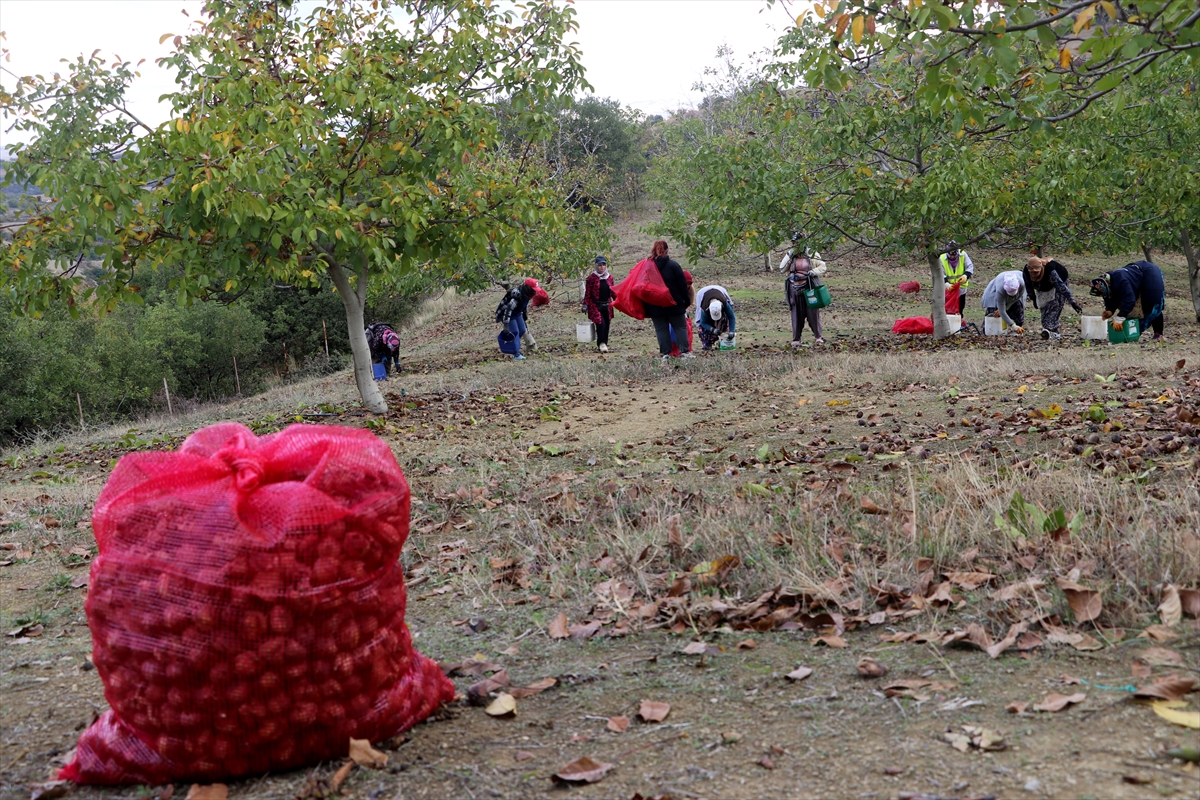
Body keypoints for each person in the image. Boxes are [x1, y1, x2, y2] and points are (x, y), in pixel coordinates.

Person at [642, 241, 694, 361]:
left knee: (661, 329)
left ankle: (666, 354)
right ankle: (685, 353)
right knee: (680, 327)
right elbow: (682, 286)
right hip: (674, 304)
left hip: (655, 305)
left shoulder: (647, 268)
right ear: (666, 251)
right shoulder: (674, 266)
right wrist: (685, 302)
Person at [1090, 260, 1166, 341]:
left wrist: (1120, 318)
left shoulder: (1121, 280)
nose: (1102, 295)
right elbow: (1110, 296)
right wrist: (1110, 310)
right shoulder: (1107, 283)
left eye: (1101, 293)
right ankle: (1131, 334)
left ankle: (1158, 334)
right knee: (1133, 312)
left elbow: (1129, 299)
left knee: (1152, 304)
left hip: (1150, 272)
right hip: (1138, 275)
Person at [1023, 256, 1083, 340]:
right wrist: (1033, 298)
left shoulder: (1050, 271)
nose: (1034, 274)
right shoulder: (1025, 271)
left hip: (1059, 282)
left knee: (1055, 305)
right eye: (1032, 272)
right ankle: (1049, 330)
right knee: (1044, 308)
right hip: (1042, 286)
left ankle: (1053, 331)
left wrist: (1072, 302)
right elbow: (1028, 286)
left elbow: (1062, 288)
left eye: (1036, 272)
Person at [782, 241, 827, 346]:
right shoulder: (791, 255)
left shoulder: (812, 253)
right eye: (794, 243)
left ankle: (818, 336)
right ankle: (796, 338)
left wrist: (813, 272)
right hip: (794, 288)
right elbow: (782, 268)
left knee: (813, 312)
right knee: (796, 313)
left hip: (809, 287)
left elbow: (822, 266)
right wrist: (790, 255)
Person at [495, 282, 537, 360]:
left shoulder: (526, 295)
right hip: (507, 314)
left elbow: (523, 305)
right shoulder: (517, 295)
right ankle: (516, 354)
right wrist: (506, 324)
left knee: (522, 330)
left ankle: (513, 345)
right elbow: (508, 309)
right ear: (528, 288)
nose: (534, 292)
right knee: (515, 332)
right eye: (533, 290)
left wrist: (524, 315)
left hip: (516, 313)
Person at [583, 256, 616, 353]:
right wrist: (585, 305)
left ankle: (605, 343)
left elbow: (613, 292)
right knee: (601, 323)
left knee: (607, 324)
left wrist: (619, 301)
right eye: (599, 265)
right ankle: (601, 343)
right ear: (596, 266)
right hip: (595, 305)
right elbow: (588, 293)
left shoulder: (609, 278)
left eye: (603, 265)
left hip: (607, 304)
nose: (602, 267)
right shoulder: (591, 278)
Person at [695, 284, 737, 350]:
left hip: (720, 290)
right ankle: (707, 343)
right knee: (704, 328)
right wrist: (712, 329)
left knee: (724, 322)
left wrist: (732, 331)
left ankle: (722, 340)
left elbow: (731, 317)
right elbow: (703, 322)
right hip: (702, 294)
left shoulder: (725, 303)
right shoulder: (704, 307)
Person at [941, 240, 975, 318]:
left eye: (955, 255)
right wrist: (946, 283)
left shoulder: (963, 254)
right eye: (951, 255)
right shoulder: (942, 258)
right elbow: (940, 273)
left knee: (960, 307)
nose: (953, 257)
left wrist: (965, 276)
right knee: (947, 307)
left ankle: (958, 322)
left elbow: (970, 267)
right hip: (948, 289)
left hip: (961, 288)